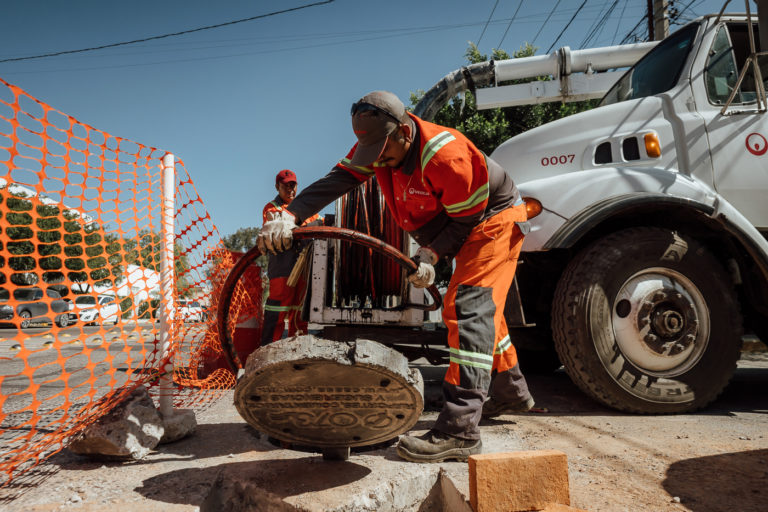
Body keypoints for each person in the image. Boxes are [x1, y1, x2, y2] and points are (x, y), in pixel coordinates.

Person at [257, 91, 533, 463]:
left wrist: (432, 253)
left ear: (404, 131)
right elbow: (339, 178)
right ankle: (510, 390)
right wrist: (291, 215)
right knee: (485, 314)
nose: (377, 162)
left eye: (383, 151)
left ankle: (461, 429)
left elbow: (466, 219)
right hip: (461, 222)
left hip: (492, 221)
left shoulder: (446, 157)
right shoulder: (379, 146)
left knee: (468, 307)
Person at [260, 169, 322, 345]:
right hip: (282, 270)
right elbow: (274, 225)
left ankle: (298, 351)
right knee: (277, 310)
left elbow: (320, 223)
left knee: (299, 312)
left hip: (302, 270)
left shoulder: (305, 209)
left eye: (293, 186)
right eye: (285, 186)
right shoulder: (272, 208)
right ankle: (268, 350)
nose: (290, 190)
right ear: (277, 187)